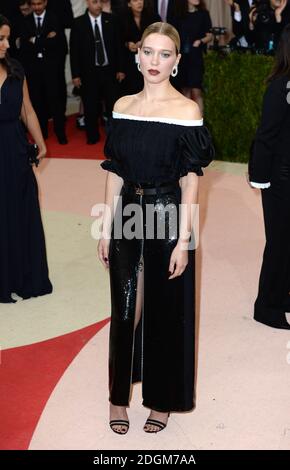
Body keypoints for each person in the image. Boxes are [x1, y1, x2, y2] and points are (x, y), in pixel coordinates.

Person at [98, 21, 214, 434]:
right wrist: (106, 227)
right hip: (128, 211)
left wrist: (184, 240)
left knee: (167, 312)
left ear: (177, 62)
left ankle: (161, 400)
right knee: (126, 309)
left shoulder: (187, 111)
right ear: (137, 54)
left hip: (167, 214)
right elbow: (114, 170)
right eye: (149, 51)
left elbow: (191, 179)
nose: (155, 61)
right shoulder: (123, 105)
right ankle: (117, 396)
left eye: (165, 54)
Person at [0, 14, 52, 303]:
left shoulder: (16, 68)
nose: (7, 44)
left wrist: (41, 141)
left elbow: (27, 110)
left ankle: (22, 275)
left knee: (20, 208)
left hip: (15, 146)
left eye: (7, 37)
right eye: (1, 38)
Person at [248, 24, 290, 329]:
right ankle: (267, 306)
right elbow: (266, 136)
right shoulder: (279, 86)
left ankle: (283, 295)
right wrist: (259, 178)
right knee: (279, 243)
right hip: (278, 179)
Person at [70, 0, 125, 144]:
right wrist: (75, 74)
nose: (98, 5)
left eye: (100, 2)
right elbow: (74, 51)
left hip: (110, 71)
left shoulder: (111, 20)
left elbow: (118, 45)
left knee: (113, 105)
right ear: (87, 3)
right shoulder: (78, 23)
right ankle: (92, 136)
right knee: (90, 105)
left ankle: (115, 137)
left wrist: (120, 68)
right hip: (89, 72)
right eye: (95, 2)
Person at [173, 0, 212, 115]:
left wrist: (200, 41)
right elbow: (173, 35)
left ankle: (199, 124)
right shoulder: (177, 14)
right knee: (185, 91)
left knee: (196, 91)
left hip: (196, 57)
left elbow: (209, 35)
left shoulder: (203, 13)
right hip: (181, 58)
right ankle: (187, 125)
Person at [120, 0, 160, 95]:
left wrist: (145, 42)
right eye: (135, 0)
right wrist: (128, 44)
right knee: (132, 90)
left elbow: (160, 35)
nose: (139, 3)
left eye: (141, 0)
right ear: (129, 3)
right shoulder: (121, 18)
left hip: (150, 60)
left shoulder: (153, 16)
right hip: (130, 62)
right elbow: (117, 40)